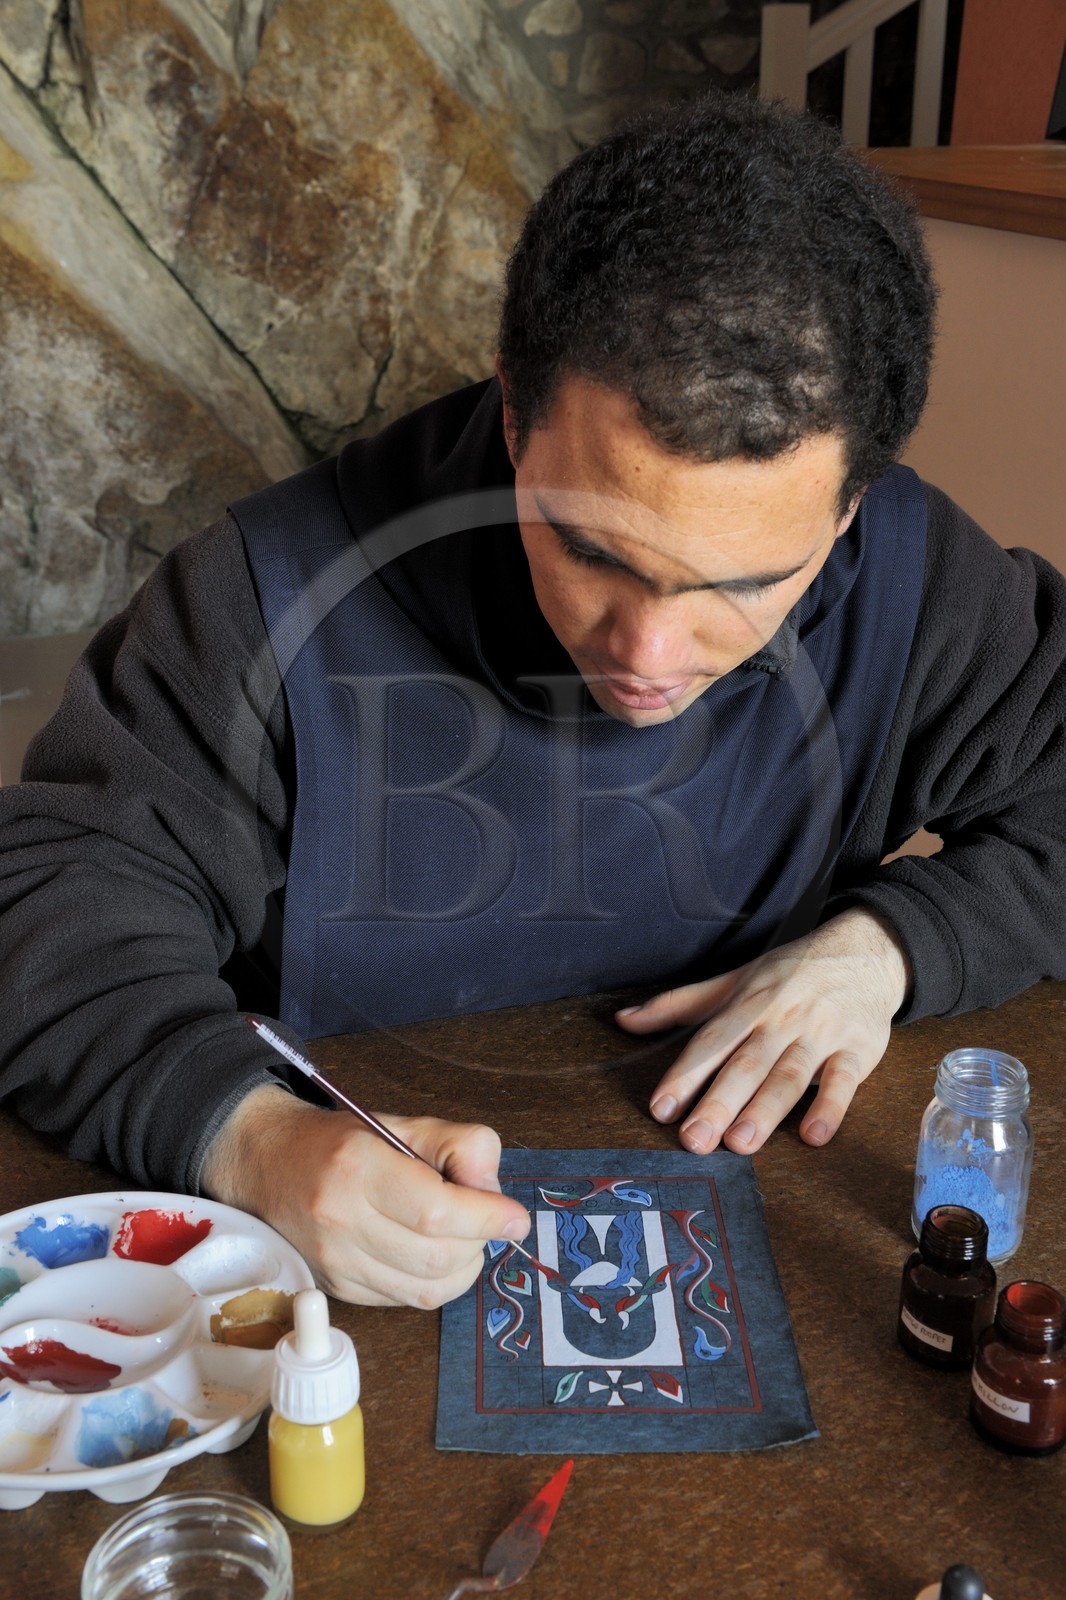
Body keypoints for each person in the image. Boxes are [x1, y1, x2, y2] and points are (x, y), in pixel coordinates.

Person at [1, 93, 1063, 1310]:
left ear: (848, 508)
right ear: (513, 413)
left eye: (746, 585)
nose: (651, 650)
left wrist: (887, 947)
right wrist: (243, 1137)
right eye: (593, 549)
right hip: (350, 1296)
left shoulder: (920, 584)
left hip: (770, 1247)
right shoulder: (265, 596)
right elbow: (49, 899)